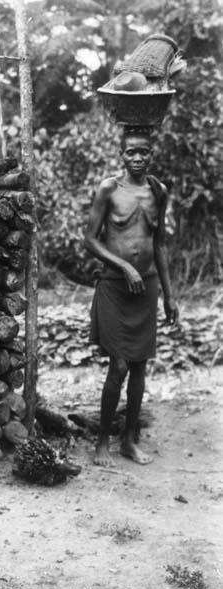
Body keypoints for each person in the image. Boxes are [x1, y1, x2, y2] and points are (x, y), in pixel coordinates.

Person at [84, 126, 178, 467]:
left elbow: (160, 244)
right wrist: (124, 265)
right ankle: (102, 441)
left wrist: (169, 295)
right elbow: (90, 239)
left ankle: (128, 440)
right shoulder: (108, 189)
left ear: (151, 155)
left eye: (143, 152)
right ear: (121, 155)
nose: (137, 158)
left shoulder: (158, 191)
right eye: (130, 152)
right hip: (114, 285)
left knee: (139, 366)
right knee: (119, 364)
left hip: (147, 287)